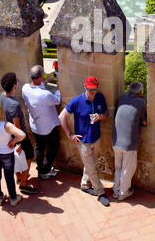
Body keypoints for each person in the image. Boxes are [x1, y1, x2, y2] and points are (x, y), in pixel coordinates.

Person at [59, 76, 110, 207]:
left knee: (91, 164)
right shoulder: (76, 101)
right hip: (83, 142)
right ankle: (101, 193)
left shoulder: (100, 97)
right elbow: (62, 116)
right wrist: (70, 134)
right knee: (92, 168)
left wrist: (101, 117)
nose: (92, 93)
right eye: (90, 90)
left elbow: (106, 113)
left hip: (96, 138)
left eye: (94, 90)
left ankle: (84, 184)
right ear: (84, 87)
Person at [0, 72, 37, 194]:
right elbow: (17, 126)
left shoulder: (2, 96)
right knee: (29, 156)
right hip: (19, 136)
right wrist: (19, 143)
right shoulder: (14, 105)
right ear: (14, 85)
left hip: (6, 134)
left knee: (13, 157)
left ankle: (19, 177)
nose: (18, 82)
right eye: (17, 81)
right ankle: (24, 184)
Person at [22, 65, 61, 181]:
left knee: (39, 147)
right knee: (54, 146)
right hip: (47, 127)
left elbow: (37, 87)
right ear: (40, 76)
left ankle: (40, 169)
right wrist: (58, 84)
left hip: (35, 125)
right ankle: (46, 170)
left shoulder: (25, 88)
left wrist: (48, 80)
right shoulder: (45, 95)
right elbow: (57, 100)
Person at [112, 82, 147, 201]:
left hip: (116, 140)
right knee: (128, 168)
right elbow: (144, 123)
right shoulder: (141, 102)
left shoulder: (122, 98)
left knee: (118, 167)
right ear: (140, 92)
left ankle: (116, 190)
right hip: (129, 143)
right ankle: (123, 192)